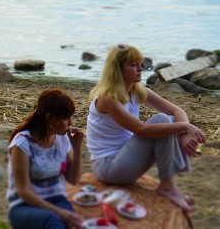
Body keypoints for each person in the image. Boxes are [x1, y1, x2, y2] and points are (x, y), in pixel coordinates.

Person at [86, 44, 206, 212]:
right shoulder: (108, 98)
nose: (141, 68)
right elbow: (141, 130)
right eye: (134, 64)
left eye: (141, 63)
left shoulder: (136, 90)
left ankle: (168, 185)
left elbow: (176, 110)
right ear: (118, 69)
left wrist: (185, 133)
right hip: (108, 167)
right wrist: (184, 127)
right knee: (164, 121)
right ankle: (168, 186)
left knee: (170, 119)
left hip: (126, 159)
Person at [6, 88, 84, 229]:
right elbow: (24, 191)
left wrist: (77, 148)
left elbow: (73, 179)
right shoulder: (22, 144)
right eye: (66, 118)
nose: (70, 123)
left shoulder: (62, 139)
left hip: (57, 199)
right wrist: (60, 212)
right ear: (49, 118)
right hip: (24, 205)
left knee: (75, 223)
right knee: (53, 220)